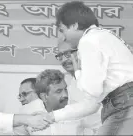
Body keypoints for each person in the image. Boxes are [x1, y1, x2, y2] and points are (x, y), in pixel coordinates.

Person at [46, 1, 133, 135]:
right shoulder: (103, 35)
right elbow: (92, 104)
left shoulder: (87, 41)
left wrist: (78, 72)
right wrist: (53, 116)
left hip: (123, 105)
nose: (63, 38)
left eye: (63, 30)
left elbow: (93, 91)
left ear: (74, 25)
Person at [15, 69, 87, 135]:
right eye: (58, 91)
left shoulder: (79, 109)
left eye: (65, 89)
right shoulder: (27, 112)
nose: (65, 95)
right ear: (44, 97)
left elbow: (97, 127)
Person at [55, 40, 102, 134]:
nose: (64, 60)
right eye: (60, 56)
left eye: (68, 54)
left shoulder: (99, 78)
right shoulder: (68, 84)